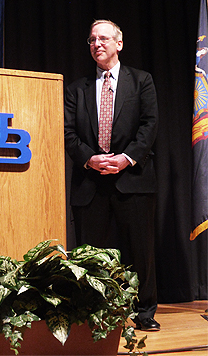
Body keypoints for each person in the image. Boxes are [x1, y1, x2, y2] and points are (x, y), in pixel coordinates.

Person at [64, 19, 160, 331]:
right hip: (91, 182)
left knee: (140, 251)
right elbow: (67, 134)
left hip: (133, 179)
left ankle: (144, 312)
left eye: (104, 39)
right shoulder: (76, 89)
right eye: (92, 40)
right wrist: (89, 159)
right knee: (90, 255)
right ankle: (93, 311)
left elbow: (149, 125)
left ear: (119, 44)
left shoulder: (141, 80)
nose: (97, 44)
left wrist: (127, 158)